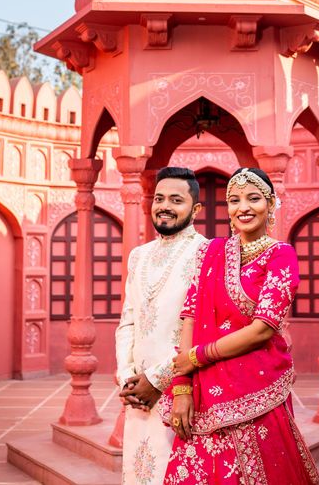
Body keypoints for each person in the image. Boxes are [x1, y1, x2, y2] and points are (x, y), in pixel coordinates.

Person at [160, 167, 319, 484]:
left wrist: (197, 356)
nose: (243, 207)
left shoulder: (281, 255)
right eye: (234, 200)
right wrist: (182, 387)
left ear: (271, 203)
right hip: (203, 391)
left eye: (253, 198)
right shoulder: (211, 252)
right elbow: (190, 314)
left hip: (257, 387)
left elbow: (263, 329)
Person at [114, 166, 210, 485]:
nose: (164, 205)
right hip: (138, 394)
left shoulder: (208, 253)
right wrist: (127, 377)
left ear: (195, 209)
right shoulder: (138, 256)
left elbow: (203, 329)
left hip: (183, 389)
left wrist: (157, 380)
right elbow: (128, 320)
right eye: (159, 198)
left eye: (175, 199)